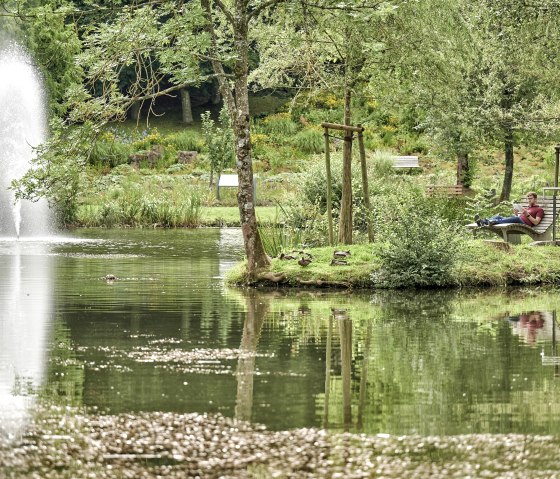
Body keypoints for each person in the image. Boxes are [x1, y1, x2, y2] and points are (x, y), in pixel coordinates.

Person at [475, 191, 544, 227]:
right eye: (528, 199)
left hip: (525, 225)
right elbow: (518, 217)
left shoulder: (539, 210)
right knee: (498, 216)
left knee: (516, 218)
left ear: (535, 199)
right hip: (518, 220)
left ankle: (487, 221)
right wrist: (516, 213)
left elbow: (536, 222)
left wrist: (527, 214)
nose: (529, 200)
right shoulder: (526, 208)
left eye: (531, 199)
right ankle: (484, 221)